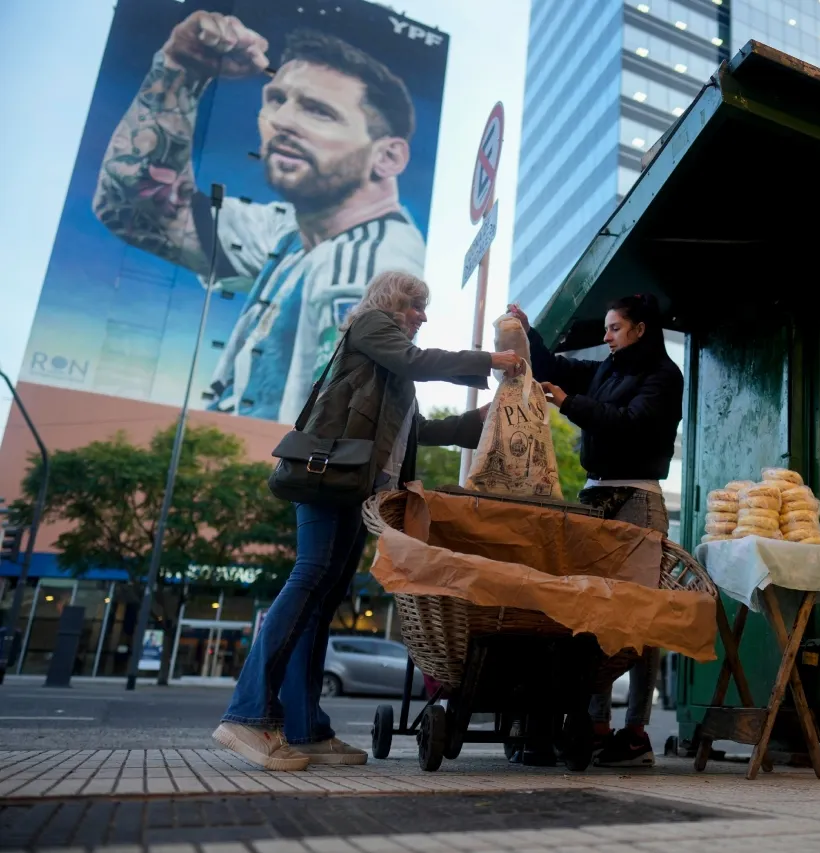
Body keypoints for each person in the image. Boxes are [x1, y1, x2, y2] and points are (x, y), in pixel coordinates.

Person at [213, 271, 521, 770]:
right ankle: (247, 715)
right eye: (415, 305)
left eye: (423, 307)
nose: (421, 316)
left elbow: (414, 431)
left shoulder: (388, 366)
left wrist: (480, 418)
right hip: (329, 480)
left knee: (322, 600)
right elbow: (415, 361)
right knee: (309, 580)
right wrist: (489, 360)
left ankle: (305, 729)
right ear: (391, 302)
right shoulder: (371, 326)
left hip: (359, 489)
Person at [93, 11, 428, 423]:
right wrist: (183, 67)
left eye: (318, 111)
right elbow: (131, 200)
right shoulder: (293, 230)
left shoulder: (367, 262)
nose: (281, 121)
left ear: (388, 155)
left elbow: (338, 417)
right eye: (276, 99)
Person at [507, 294, 683, 768]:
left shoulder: (664, 377)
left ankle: (636, 731)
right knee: (593, 614)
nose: (605, 337)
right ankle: (597, 723)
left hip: (637, 503)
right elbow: (557, 368)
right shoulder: (607, 368)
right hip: (594, 499)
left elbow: (631, 424)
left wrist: (568, 404)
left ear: (640, 329)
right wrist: (528, 332)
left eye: (614, 328)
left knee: (639, 621)